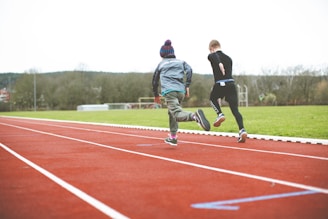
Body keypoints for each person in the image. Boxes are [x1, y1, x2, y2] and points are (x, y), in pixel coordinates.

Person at [152, 39, 210, 146]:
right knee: (172, 112)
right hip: (180, 91)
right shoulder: (181, 62)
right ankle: (173, 137)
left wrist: (156, 95)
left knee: (177, 114)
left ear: (162, 54)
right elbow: (189, 70)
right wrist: (187, 85)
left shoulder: (161, 64)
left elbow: (155, 80)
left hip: (169, 91)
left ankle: (195, 116)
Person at [207, 39, 247, 143]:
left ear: (211, 48)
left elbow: (214, 56)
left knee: (212, 99)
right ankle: (242, 130)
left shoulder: (212, 55)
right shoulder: (229, 58)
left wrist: (219, 63)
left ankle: (220, 114)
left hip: (221, 83)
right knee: (235, 110)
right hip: (231, 84)